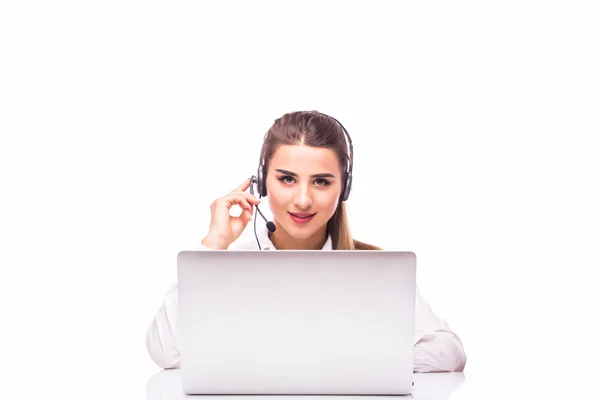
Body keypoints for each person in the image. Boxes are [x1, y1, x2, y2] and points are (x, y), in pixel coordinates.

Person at [145, 110, 467, 373]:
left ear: (344, 188)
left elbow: (448, 351)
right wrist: (214, 243)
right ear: (261, 182)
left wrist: (338, 363)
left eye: (321, 182)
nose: (302, 199)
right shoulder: (225, 268)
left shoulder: (374, 271)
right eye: (286, 179)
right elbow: (165, 351)